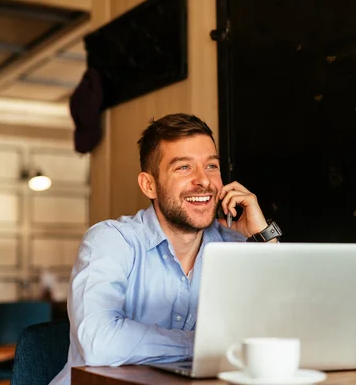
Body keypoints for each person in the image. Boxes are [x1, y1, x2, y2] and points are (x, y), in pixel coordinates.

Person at [50, 113, 281, 385]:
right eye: (184, 167)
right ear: (150, 185)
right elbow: (100, 343)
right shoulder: (110, 240)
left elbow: (285, 334)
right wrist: (206, 344)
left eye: (211, 166)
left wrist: (264, 239)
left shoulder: (236, 247)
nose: (204, 181)